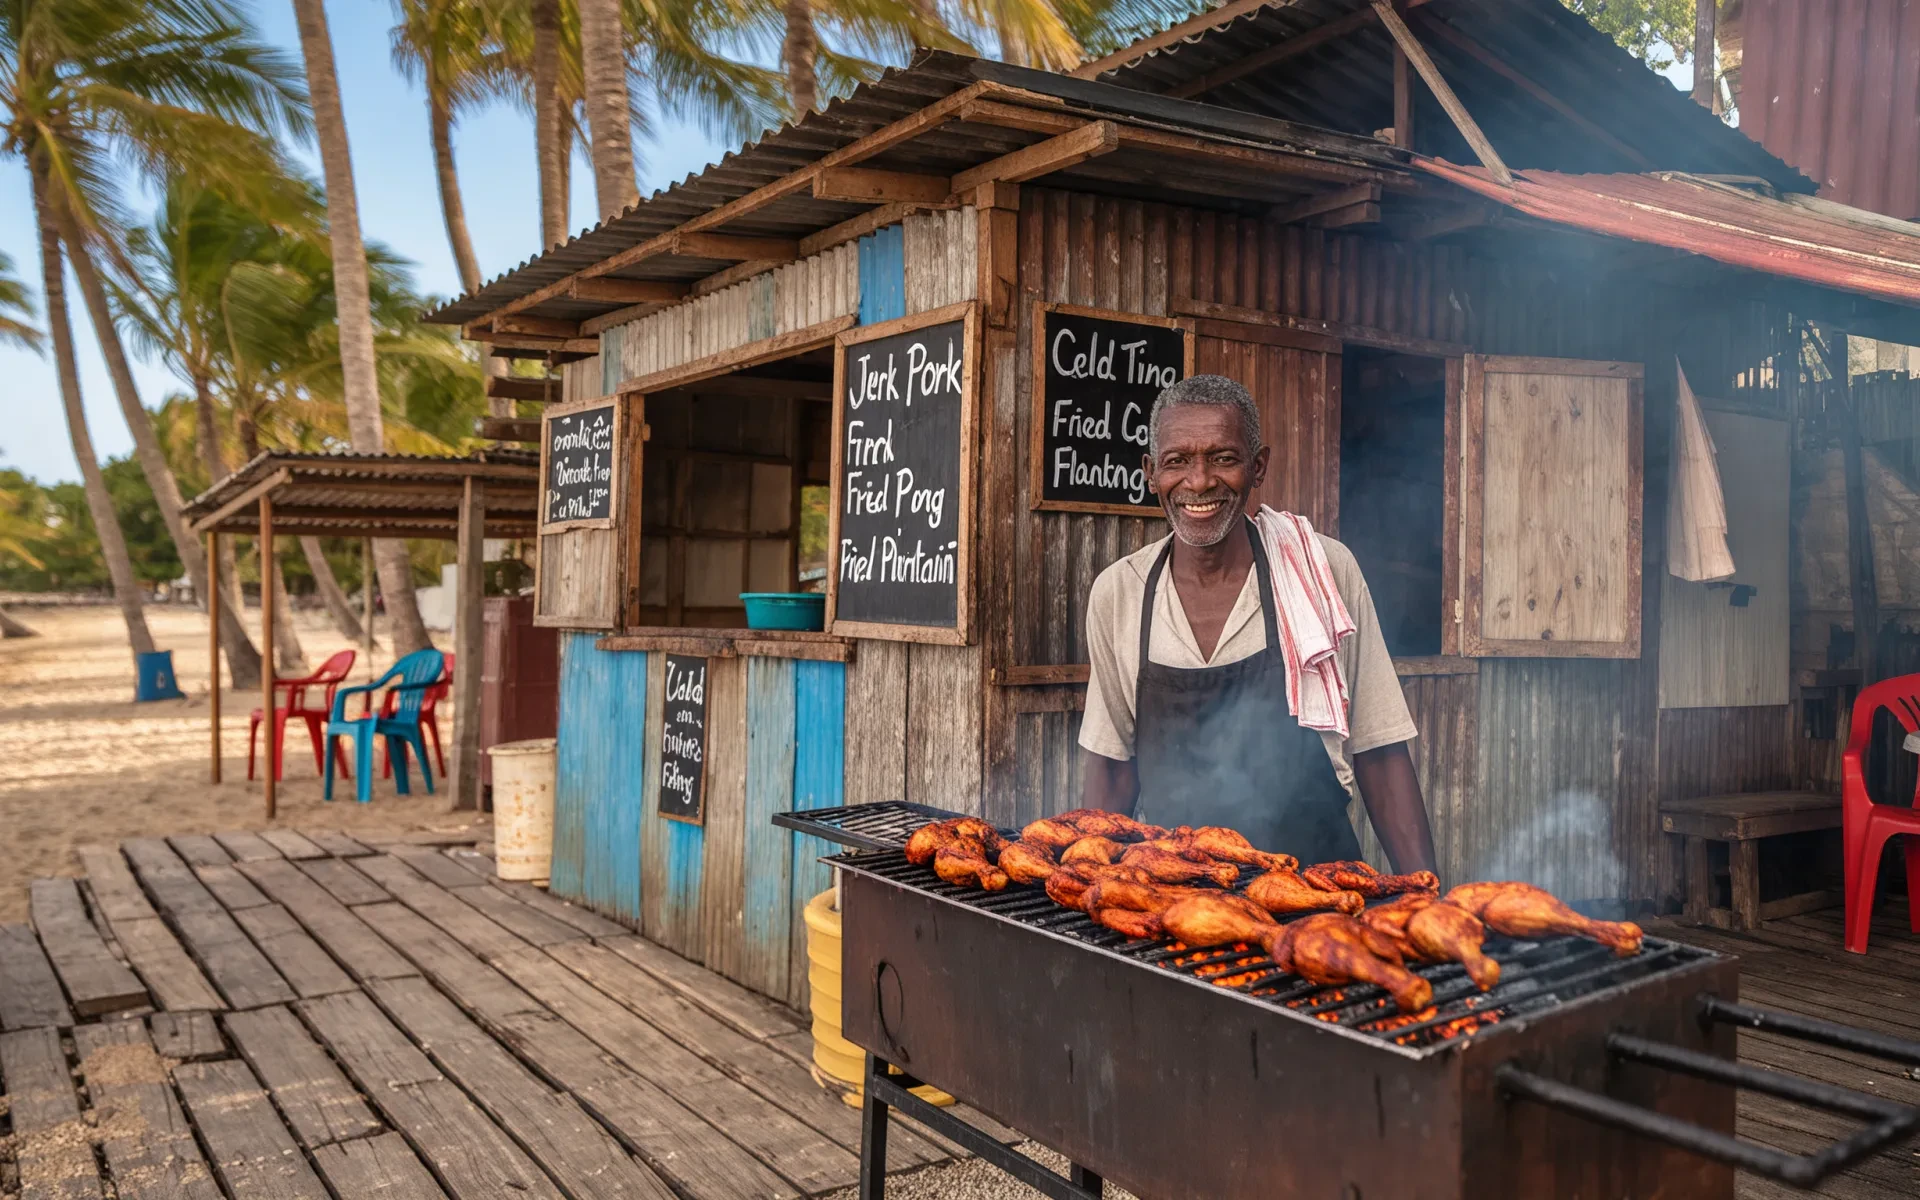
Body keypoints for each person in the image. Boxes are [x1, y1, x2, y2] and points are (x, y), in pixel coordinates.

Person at [1077, 374, 1439, 873]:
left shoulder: (1321, 574)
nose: (1199, 482)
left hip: (1317, 896)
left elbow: (1378, 752)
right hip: (1176, 907)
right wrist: (1086, 886)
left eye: (1223, 458)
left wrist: (1425, 895)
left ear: (1258, 467)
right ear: (1149, 472)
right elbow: (1115, 772)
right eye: (1177, 461)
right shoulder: (1120, 594)